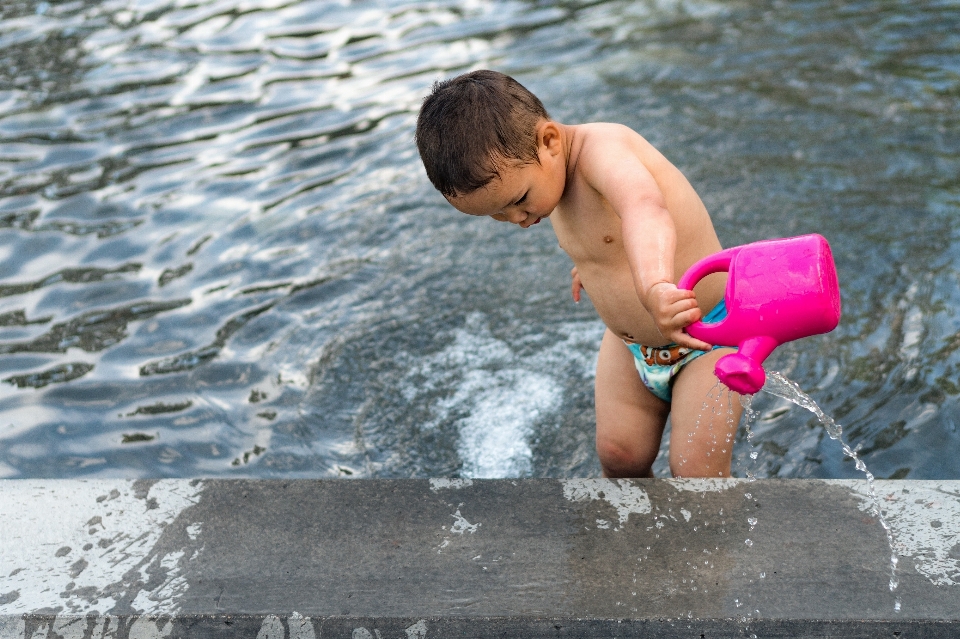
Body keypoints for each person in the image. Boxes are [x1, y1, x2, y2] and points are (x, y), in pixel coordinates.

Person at [415, 70, 742, 478]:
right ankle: (635, 540)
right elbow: (605, 235)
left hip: (707, 334)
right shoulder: (548, 178)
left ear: (549, 141)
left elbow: (645, 211)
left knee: (696, 470)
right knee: (619, 456)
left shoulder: (604, 151)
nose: (516, 220)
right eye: (496, 215)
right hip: (631, 347)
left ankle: (716, 542)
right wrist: (594, 266)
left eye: (518, 201)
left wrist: (655, 284)